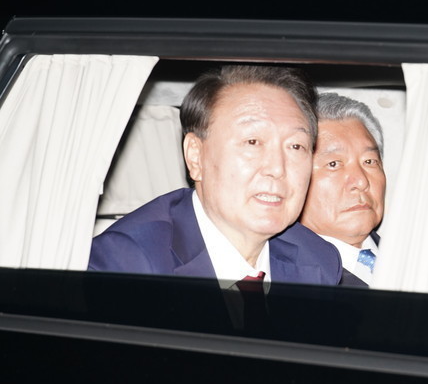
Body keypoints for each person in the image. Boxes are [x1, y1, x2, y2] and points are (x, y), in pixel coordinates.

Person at [89, 65, 342, 288]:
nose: (277, 168)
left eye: (296, 146)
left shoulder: (318, 260)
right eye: (253, 142)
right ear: (196, 156)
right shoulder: (126, 265)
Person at [299, 92, 386, 287]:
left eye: (369, 161)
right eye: (334, 164)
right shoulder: (278, 278)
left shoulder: (420, 261)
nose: (361, 181)